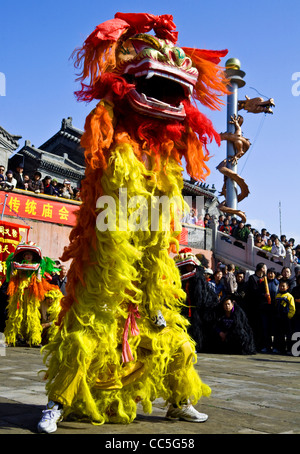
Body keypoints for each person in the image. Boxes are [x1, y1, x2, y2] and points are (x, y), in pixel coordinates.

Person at [37, 13, 228, 433]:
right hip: (110, 247)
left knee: (168, 329)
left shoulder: (168, 152)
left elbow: (167, 211)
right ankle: (58, 402)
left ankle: (179, 401)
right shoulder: (110, 128)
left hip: (153, 256)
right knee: (90, 324)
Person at [4, 243, 63, 347]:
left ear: (33, 256)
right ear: (23, 256)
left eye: (30, 254)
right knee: (15, 316)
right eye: (26, 254)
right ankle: (11, 338)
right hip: (19, 296)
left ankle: (34, 340)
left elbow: (39, 280)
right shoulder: (18, 267)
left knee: (32, 316)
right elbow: (12, 277)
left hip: (31, 296)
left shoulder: (36, 267)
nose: (28, 256)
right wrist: (12, 268)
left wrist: (39, 271)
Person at [245, 263, 268, 351]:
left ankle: (261, 345)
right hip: (253, 306)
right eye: (265, 268)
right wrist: (263, 294)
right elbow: (254, 291)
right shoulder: (252, 278)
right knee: (254, 326)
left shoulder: (264, 278)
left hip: (262, 307)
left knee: (261, 327)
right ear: (262, 268)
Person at [273, 280, 295, 354]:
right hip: (278, 317)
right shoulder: (277, 295)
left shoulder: (289, 296)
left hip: (286, 317)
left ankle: (289, 349)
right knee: (279, 334)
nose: (282, 287)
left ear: (287, 287)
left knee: (288, 334)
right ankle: (280, 348)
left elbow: (292, 307)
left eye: (283, 286)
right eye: (280, 286)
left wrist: (289, 316)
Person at [260, 268, 279, 353]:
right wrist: (264, 294)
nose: (271, 274)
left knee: (275, 328)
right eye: (269, 273)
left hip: (274, 308)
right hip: (265, 308)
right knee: (265, 328)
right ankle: (266, 346)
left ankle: (275, 346)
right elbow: (258, 293)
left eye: (272, 273)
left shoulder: (277, 283)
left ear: (275, 274)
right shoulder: (263, 282)